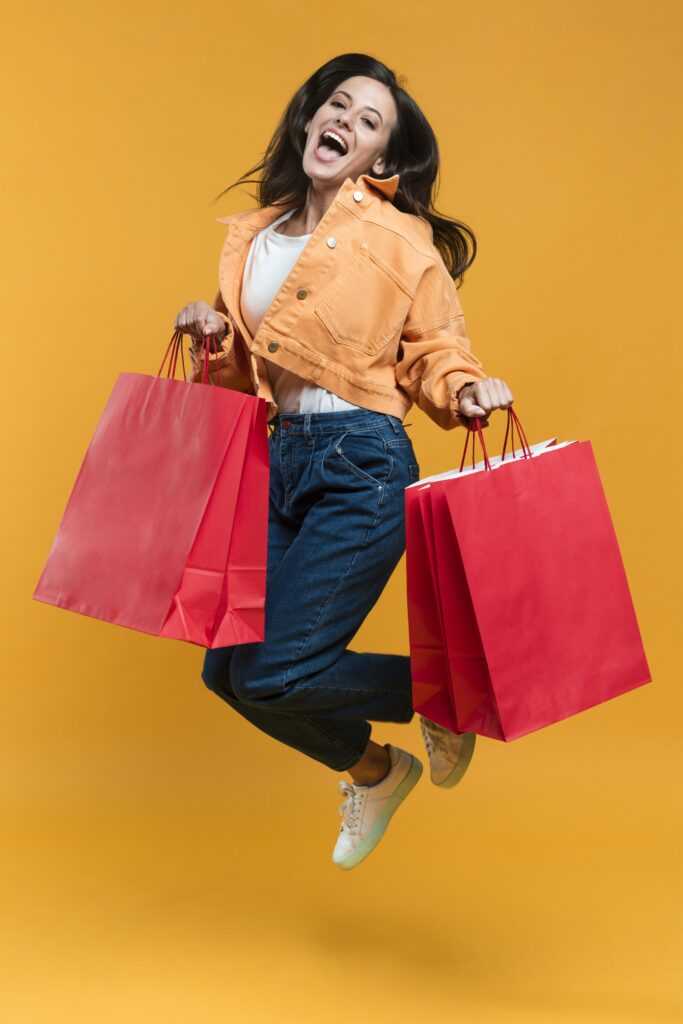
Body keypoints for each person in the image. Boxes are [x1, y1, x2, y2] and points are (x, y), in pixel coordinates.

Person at [174, 53, 514, 870]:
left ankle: (450, 693)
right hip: (278, 458)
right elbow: (245, 380)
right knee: (228, 676)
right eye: (337, 106)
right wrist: (209, 338)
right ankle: (375, 770)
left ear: (382, 162)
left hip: (358, 461)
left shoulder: (400, 238)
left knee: (275, 672)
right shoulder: (254, 238)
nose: (346, 124)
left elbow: (435, 345)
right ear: (308, 119)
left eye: (369, 123)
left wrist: (465, 391)